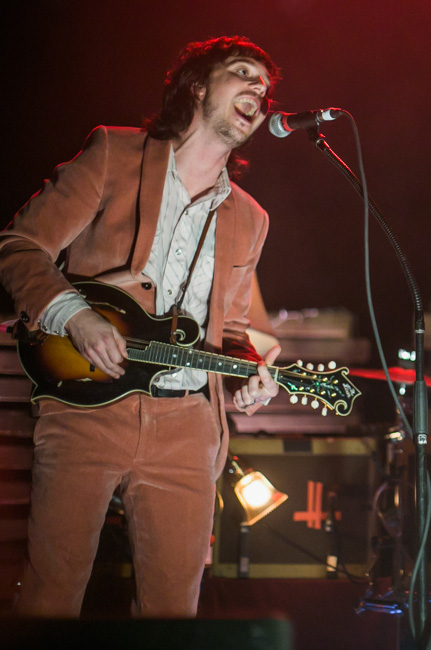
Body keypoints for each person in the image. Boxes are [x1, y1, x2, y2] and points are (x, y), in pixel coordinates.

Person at [0, 36, 283, 617]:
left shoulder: (251, 218)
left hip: (187, 426)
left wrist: (249, 376)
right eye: (242, 73)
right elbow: (20, 246)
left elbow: (230, 331)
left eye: (265, 86)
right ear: (198, 86)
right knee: (51, 597)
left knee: (173, 614)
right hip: (85, 404)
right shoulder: (115, 154)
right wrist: (75, 316)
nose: (258, 89)